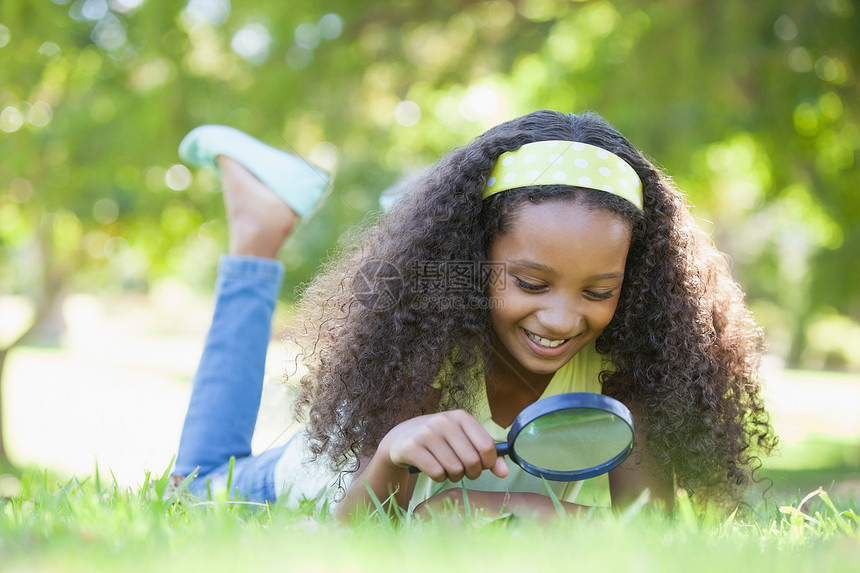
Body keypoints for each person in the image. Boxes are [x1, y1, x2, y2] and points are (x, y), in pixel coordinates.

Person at [171, 110, 777, 519]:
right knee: (195, 485)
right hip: (315, 474)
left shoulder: (626, 369)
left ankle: (410, 206)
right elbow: (359, 535)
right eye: (532, 282)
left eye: (598, 291)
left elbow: (651, 539)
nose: (564, 319)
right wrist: (390, 454)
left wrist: (506, 511)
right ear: (474, 254)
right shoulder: (427, 346)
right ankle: (259, 229)